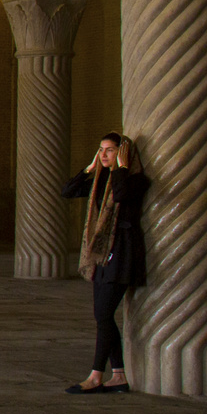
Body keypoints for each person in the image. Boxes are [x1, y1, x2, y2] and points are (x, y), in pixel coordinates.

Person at [60, 132, 147, 394]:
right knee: (102, 314)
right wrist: (88, 168)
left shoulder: (135, 179)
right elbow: (68, 191)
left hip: (123, 252)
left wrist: (121, 167)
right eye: (101, 149)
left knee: (103, 313)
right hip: (101, 254)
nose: (104, 155)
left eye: (110, 150)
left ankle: (97, 375)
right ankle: (118, 374)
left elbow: (121, 196)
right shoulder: (100, 179)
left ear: (123, 154)